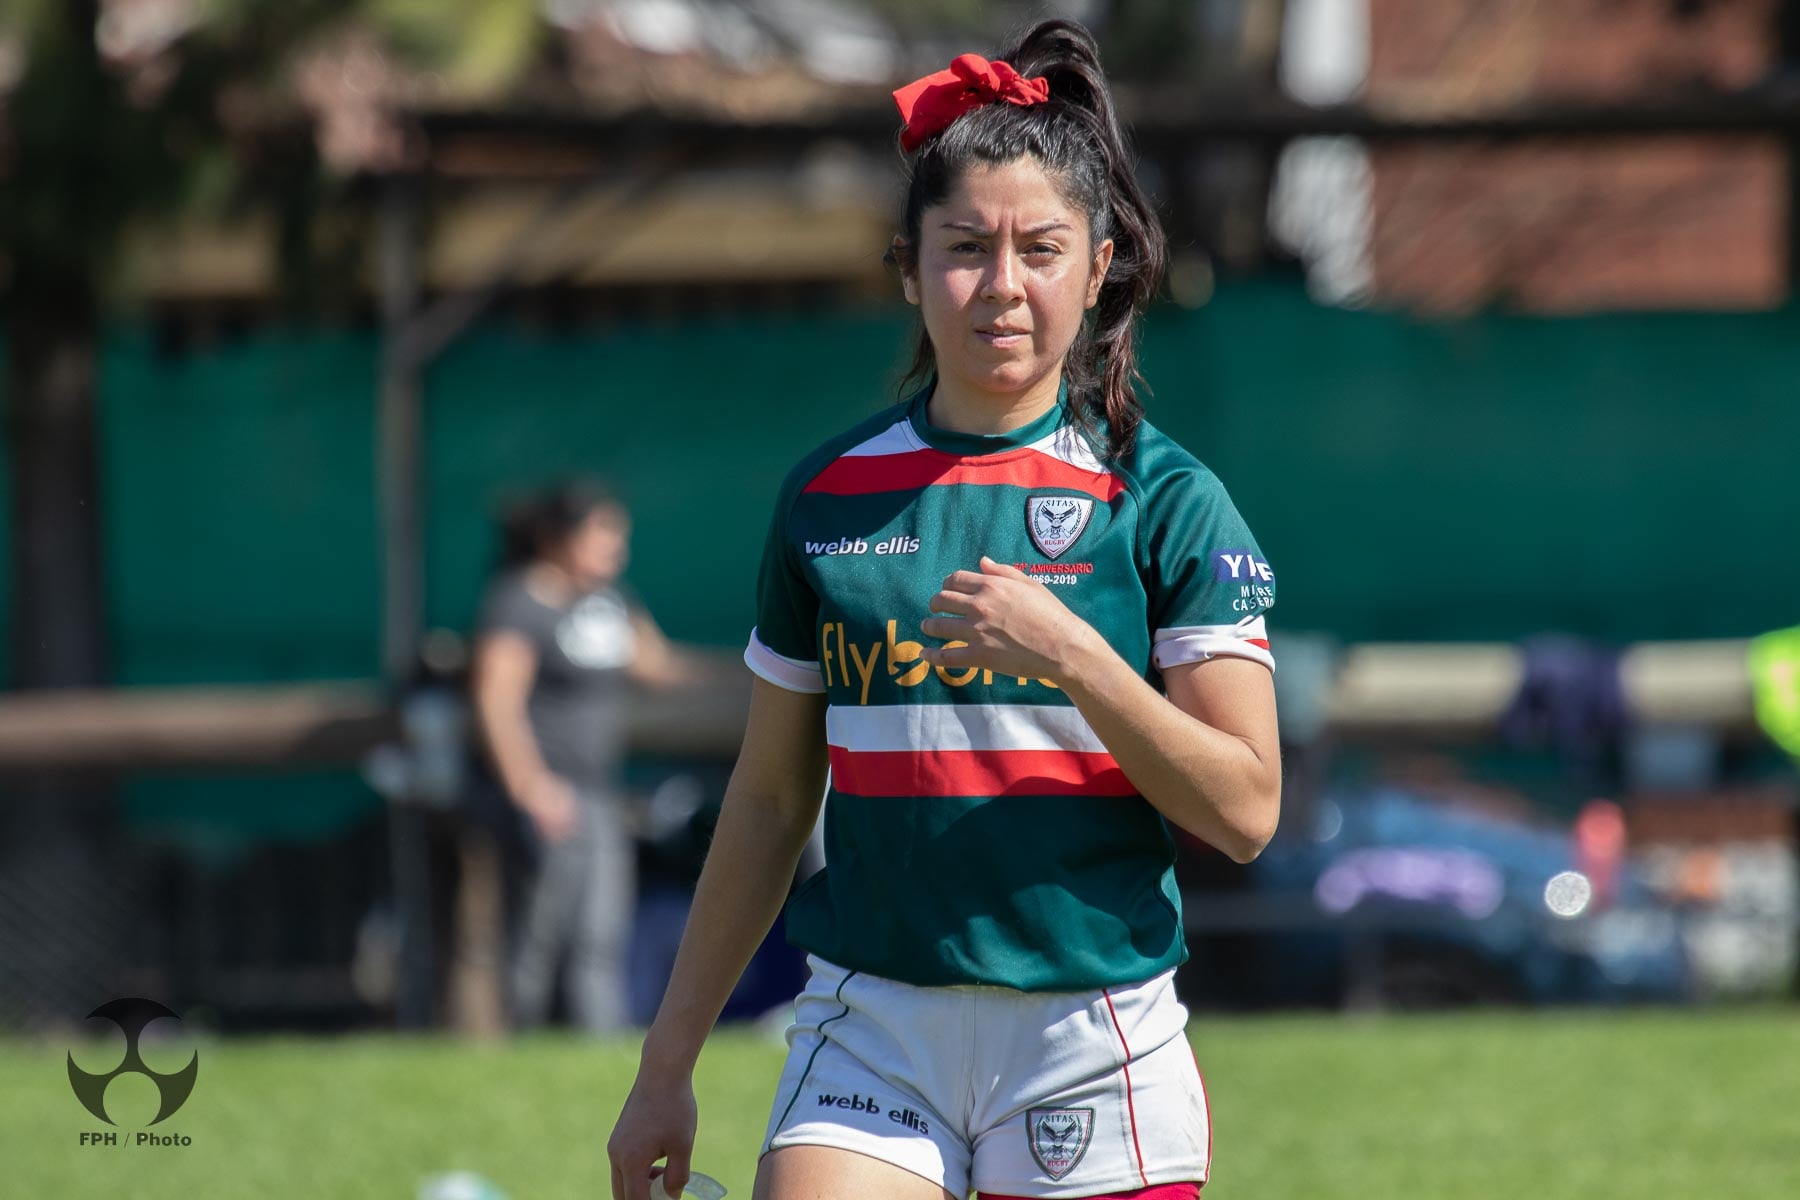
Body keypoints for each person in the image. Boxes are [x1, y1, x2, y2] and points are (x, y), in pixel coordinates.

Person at [608, 17, 1280, 1200]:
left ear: (1102, 261)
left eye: (1041, 249)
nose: (1003, 286)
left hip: (1092, 1039)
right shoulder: (826, 498)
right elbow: (768, 801)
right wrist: (666, 1066)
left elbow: (1246, 808)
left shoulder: (1167, 501)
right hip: (873, 1027)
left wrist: (1076, 658)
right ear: (911, 270)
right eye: (966, 247)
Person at [468, 479, 700, 1034]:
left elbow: (660, 667)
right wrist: (530, 787)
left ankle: (597, 1049)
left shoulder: (611, 601)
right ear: (557, 537)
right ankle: (518, 1042)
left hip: (599, 790)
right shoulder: (517, 602)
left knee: (602, 929)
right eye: (603, 536)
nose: (615, 550)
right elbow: (496, 701)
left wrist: (767, 670)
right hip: (549, 791)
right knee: (540, 931)